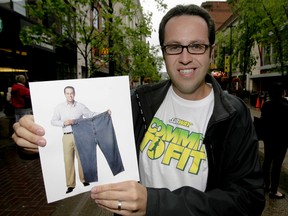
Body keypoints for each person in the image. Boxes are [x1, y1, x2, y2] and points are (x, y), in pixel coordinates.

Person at [12, 4, 265, 216]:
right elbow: (90, 130)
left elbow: (248, 199)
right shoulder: (138, 101)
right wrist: (35, 140)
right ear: (164, 53)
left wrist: (154, 203)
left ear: (211, 51)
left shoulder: (233, 114)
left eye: (196, 46)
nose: (185, 57)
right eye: (174, 46)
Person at [261, 82, 288, 199]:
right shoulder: (285, 106)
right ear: (282, 93)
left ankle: (265, 185)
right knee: (277, 165)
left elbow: (263, 121)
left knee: (267, 161)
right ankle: (274, 190)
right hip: (282, 140)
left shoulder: (266, 105)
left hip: (269, 138)